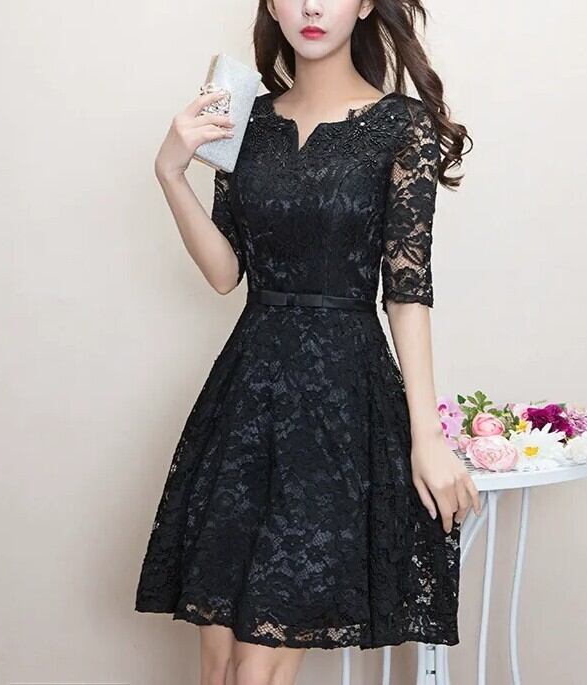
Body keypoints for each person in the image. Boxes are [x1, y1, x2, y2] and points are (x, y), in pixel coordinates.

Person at [135, 0, 482, 683]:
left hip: (338, 402)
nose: (312, 7)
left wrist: (426, 436)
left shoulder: (401, 127)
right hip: (245, 399)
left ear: (364, 5)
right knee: (218, 663)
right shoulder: (246, 120)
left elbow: (406, 289)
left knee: (256, 668)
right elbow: (225, 273)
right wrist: (171, 172)